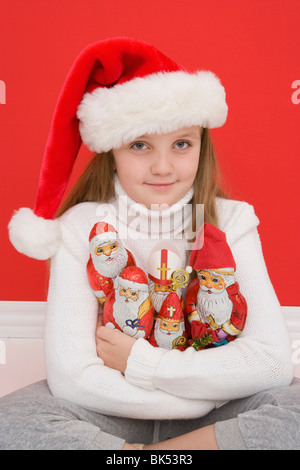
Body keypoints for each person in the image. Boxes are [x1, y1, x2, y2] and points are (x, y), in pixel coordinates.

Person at [3, 37, 299, 450]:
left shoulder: (232, 219)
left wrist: (143, 364)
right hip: (115, 417)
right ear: (113, 152)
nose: (162, 167)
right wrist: (199, 385)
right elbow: (72, 379)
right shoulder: (80, 226)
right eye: (140, 145)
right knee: (10, 422)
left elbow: (271, 362)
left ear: (201, 145)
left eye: (181, 144)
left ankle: (157, 459)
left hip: (212, 417)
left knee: (295, 408)